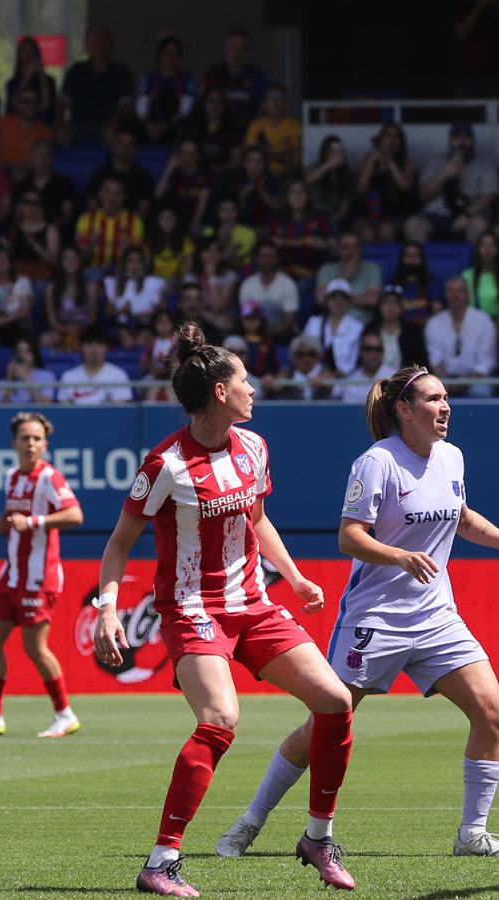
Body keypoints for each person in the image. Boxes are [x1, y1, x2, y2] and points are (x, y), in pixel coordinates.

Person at [215, 366, 499, 862]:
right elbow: (349, 536)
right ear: (404, 409)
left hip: (437, 616)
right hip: (377, 618)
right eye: (435, 399)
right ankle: (249, 822)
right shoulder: (377, 462)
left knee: (491, 711)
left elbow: (461, 516)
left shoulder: (452, 457)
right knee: (326, 722)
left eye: (447, 398)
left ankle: (472, 834)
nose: (446, 407)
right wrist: (399, 556)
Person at [92, 324, 357, 894]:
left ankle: (317, 837)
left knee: (335, 701)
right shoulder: (164, 465)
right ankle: (161, 861)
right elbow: (118, 542)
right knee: (220, 719)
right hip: (192, 609)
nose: (253, 388)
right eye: (244, 379)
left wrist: (296, 577)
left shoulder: (254, 447)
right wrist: (108, 609)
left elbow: (256, 519)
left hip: (253, 605)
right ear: (219, 392)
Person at [0, 412, 85, 738]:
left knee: (35, 647)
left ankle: (64, 713)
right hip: (12, 575)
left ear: (45, 444)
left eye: (37, 438)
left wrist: (34, 522)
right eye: (25, 438)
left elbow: (75, 515)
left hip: (38, 578)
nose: (31, 444)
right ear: (14, 442)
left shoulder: (49, 478)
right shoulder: (13, 476)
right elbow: (10, 517)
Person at [411, 123, 497, 243]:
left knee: (479, 225)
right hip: (435, 216)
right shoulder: (434, 163)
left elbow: (487, 198)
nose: (462, 141)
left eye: (466, 137)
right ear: (450, 140)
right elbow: (423, 196)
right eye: (457, 137)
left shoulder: (484, 166)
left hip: (467, 216)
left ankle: (474, 262)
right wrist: (443, 174)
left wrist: (467, 215)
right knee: (414, 224)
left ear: (473, 140)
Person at [61, 24, 136, 145]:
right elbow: (62, 102)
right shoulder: (76, 71)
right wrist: (58, 124)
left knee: (112, 137)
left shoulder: (121, 73)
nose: (95, 45)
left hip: (107, 126)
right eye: (90, 41)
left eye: (98, 41)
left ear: (108, 44)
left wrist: (112, 123)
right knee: (62, 136)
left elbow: (125, 107)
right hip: (78, 125)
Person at [425, 276, 497, 395]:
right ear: (445, 295)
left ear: (468, 295)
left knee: (481, 391)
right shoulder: (434, 323)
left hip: (476, 379)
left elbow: (486, 361)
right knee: (432, 391)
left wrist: (466, 382)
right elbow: (435, 362)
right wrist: (446, 384)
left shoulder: (483, 321)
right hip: (445, 380)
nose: (455, 295)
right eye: (451, 291)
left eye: (460, 290)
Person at [201, 28, 267, 122]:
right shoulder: (212, 74)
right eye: (232, 47)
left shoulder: (257, 76)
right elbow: (202, 106)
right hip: (218, 131)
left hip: (247, 131)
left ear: (247, 51)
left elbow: (262, 109)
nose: (236, 52)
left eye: (241, 48)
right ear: (225, 49)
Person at [56, 327, 132, 404]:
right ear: (80, 347)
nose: (94, 349)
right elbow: (64, 409)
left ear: (106, 347)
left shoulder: (118, 375)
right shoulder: (68, 376)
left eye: (99, 344)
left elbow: (119, 410)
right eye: (89, 344)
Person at [245, 83, 300, 177]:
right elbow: (249, 157)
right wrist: (282, 155)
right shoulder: (255, 126)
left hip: (286, 177)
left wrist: (267, 152)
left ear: (285, 102)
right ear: (264, 103)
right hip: (260, 176)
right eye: (271, 98)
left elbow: (295, 161)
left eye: (280, 98)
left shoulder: (295, 126)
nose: (275, 102)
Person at [4, 36, 58, 125]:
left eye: (31, 50)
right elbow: (12, 104)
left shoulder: (48, 81)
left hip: (41, 125)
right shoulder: (13, 83)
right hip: (18, 125)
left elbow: (47, 105)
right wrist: (27, 77)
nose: (29, 53)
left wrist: (41, 75)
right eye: (25, 50)